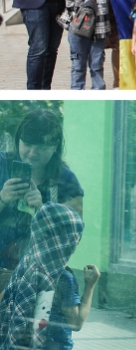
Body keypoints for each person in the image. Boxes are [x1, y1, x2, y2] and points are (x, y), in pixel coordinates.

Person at [0, 204, 86, 350]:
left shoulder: (26, 266)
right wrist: (90, 286)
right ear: (68, 241)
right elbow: (76, 323)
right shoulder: (63, 278)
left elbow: (3, 301)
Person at [0, 109, 84, 274]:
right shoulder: (2, 164)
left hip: (36, 273)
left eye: (41, 147)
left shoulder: (66, 181)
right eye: (27, 144)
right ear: (18, 140)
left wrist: (41, 209)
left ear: (55, 146)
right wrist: (2, 198)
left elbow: (70, 240)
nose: (32, 153)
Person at [56, 0, 111, 90]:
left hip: (98, 27)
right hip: (77, 27)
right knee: (78, 62)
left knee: (97, 62)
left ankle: (98, 91)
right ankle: (77, 91)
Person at [43, 262, 100, 350]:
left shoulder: (30, 268)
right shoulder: (63, 276)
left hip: (34, 349)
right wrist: (90, 285)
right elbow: (76, 323)